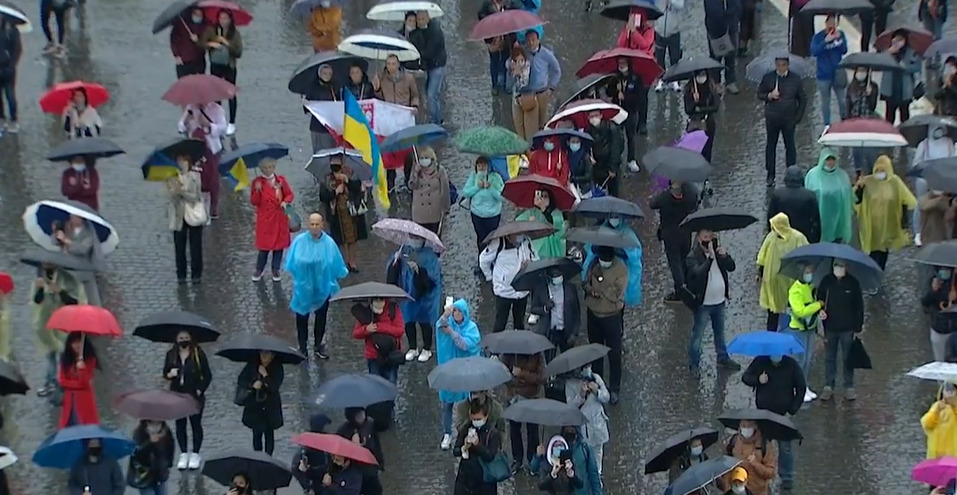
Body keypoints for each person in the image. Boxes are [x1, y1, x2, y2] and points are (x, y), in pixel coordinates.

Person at [286, 213, 349, 359]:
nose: (314, 227)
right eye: (312, 224)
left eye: (317, 224)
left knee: (321, 317)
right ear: (308, 225)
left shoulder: (329, 243)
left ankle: (318, 344)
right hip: (304, 287)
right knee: (302, 317)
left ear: (322, 225)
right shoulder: (300, 241)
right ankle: (302, 347)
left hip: (322, 287)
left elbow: (335, 262)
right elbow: (293, 261)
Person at [741, 354, 804, 491]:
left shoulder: (791, 365)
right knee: (762, 447)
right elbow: (746, 377)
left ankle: (786, 478)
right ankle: (761, 476)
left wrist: (792, 410)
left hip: (783, 415)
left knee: (785, 448)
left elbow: (801, 388)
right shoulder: (760, 361)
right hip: (763, 415)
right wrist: (758, 379)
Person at [684, 228, 740, 371]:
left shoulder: (718, 252)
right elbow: (698, 274)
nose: (708, 240)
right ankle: (694, 363)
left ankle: (722, 357)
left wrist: (725, 256)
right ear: (698, 239)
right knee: (698, 336)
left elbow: (731, 267)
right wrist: (710, 258)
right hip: (704, 304)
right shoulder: (692, 257)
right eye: (705, 237)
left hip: (719, 301)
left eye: (711, 236)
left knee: (720, 333)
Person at [854, 156, 917, 271]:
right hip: (871, 225)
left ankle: (878, 271)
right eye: (877, 170)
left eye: (883, 170)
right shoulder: (868, 182)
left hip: (888, 224)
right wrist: (859, 187)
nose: (880, 173)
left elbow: (905, 200)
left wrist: (904, 223)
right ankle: (872, 271)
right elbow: (856, 200)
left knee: (883, 250)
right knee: (873, 251)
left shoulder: (895, 182)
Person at [387, 235, 442, 363]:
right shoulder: (404, 250)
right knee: (408, 320)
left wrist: (419, 270)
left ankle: (427, 348)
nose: (414, 240)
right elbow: (393, 268)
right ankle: (413, 347)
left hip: (423, 295)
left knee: (424, 320)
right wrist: (395, 260)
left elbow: (434, 277)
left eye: (416, 238)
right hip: (407, 291)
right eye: (412, 237)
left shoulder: (429, 255)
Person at [33, 262, 85, 398]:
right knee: (50, 354)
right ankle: (50, 382)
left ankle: (65, 382)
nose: (44, 264)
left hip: (64, 323)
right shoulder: (41, 278)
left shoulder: (67, 278)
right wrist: (40, 290)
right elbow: (37, 300)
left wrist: (60, 292)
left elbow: (74, 301)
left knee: (64, 354)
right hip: (47, 322)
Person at [437, 299, 482, 450]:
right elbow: (439, 325)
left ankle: (467, 431)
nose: (456, 314)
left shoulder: (472, 328)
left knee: (468, 404)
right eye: (454, 311)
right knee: (447, 404)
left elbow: (466, 345)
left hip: (466, 372)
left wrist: (451, 333)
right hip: (450, 371)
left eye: (459, 311)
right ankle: (447, 434)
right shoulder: (449, 323)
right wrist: (446, 314)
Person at [584, 246, 627, 405]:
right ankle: (598, 383)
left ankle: (614, 388)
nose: (602, 261)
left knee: (614, 353)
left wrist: (601, 285)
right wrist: (590, 290)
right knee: (595, 352)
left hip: (612, 316)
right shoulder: (593, 265)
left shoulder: (621, 269)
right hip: (593, 314)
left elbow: (617, 294)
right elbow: (585, 283)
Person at [164, 330, 212, 470]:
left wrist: (200, 389)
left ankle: (195, 453)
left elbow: (208, 375)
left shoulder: (198, 354)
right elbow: (165, 372)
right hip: (177, 395)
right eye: (181, 337)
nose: (183, 340)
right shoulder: (171, 355)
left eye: (186, 337)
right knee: (180, 424)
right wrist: (170, 374)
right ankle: (184, 453)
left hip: (194, 395)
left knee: (195, 424)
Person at [816, 260, 864, 401]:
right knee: (829, 358)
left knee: (847, 358)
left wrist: (857, 327)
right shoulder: (826, 282)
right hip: (830, 328)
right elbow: (819, 299)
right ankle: (828, 385)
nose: (839, 268)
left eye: (841, 265)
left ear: (847, 267)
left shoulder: (853, 283)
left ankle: (849, 386)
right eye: (836, 265)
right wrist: (820, 311)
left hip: (847, 329)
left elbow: (859, 306)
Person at [758, 56, 806, 187]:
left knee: (790, 146)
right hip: (772, 118)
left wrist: (797, 118)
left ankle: (791, 173)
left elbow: (802, 99)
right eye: (778, 65)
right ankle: (770, 175)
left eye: (783, 65)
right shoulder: (768, 77)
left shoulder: (795, 79)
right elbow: (759, 94)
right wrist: (769, 96)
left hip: (789, 119)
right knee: (770, 146)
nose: (781, 68)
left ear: (788, 65)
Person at [757, 213, 809, 331]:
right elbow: (762, 256)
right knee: (773, 311)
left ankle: (791, 331)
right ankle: (772, 334)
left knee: (792, 308)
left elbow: (806, 255)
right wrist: (761, 273)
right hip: (773, 282)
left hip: (790, 280)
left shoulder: (797, 237)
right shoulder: (771, 237)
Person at [178, 102, 228, 220]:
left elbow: (223, 128)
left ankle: (213, 206)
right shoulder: (190, 108)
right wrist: (186, 120)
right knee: (196, 176)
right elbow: (180, 127)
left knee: (212, 177)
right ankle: (197, 205)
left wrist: (209, 125)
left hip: (212, 148)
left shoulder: (216, 109)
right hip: (195, 148)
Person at [651, 181, 699, 303]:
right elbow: (695, 205)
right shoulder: (690, 193)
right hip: (685, 233)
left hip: (670, 236)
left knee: (675, 264)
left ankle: (681, 292)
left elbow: (653, 204)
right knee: (684, 261)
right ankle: (688, 286)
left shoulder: (665, 197)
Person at [319, 154, 367, 272]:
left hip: (351, 212)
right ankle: (340, 262)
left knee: (353, 238)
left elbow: (357, 187)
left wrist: (347, 181)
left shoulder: (350, 174)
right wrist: (335, 192)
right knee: (338, 240)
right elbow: (323, 196)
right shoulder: (326, 179)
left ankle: (352, 262)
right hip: (336, 214)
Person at [582, 216, 643, 307]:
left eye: (616, 216)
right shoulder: (601, 231)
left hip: (619, 268)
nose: (614, 219)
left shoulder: (627, 233)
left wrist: (619, 251)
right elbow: (591, 250)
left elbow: (635, 253)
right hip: (602, 265)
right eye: (612, 216)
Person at [480, 235, 535, 333]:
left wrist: (530, 264)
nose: (518, 237)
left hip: (522, 290)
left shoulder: (527, 241)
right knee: (500, 322)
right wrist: (490, 277)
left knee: (519, 322)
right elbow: (483, 260)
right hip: (504, 291)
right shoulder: (498, 243)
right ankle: (496, 341)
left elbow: (535, 257)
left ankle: (519, 338)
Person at [250, 158, 293, 281]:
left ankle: (275, 269)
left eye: (270, 167)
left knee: (278, 247)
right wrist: (257, 191)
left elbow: (289, 194)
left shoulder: (281, 180)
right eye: (265, 168)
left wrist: (285, 201)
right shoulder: (257, 182)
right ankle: (259, 269)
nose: (268, 170)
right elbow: (254, 202)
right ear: (261, 169)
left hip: (279, 218)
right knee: (264, 247)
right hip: (265, 220)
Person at [501, 351, 545, 473]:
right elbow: (503, 375)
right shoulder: (508, 354)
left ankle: (532, 460)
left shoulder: (538, 355)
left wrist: (522, 374)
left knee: (533, 430)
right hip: (513, 397)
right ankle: (517, 459)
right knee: (514, 430)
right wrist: (517, 381)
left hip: (532, 398)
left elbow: (542, 377)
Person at [913, 123, 955, 246]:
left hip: (943, 179)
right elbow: (916, 163)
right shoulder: (924, 144)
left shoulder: (949, 143)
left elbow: (952, 159)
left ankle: (943, 231)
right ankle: (918, 231)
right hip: (925, 179)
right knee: (921, 205)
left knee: (943, 205)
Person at [787, 262, 824, 403]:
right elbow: (800, 311)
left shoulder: (810, 287)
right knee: (800, 360)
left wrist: (818, 310)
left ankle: (804, 385)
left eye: (811, 272)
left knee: (808, 360)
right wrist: (818, 305)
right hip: (798, 330)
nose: (810, 274)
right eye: (808, 272)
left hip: (810, 328)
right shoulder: (795, 290)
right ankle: (796, 388)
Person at [529, 426, 603, 495]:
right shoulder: (554, 449)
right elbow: (534, 470)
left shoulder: (584, 448)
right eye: (567, 429)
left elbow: (593, 474)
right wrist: (538, 456)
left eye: (572, 430)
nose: (570, 432)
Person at [166, 153, 204, 283]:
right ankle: (181, 274)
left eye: (184, 161)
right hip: (178, 215)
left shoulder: (196, 176)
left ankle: (196, 274)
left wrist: (181, 191)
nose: (181, 164)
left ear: (189, 163)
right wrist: (176, 191)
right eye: (179, 161)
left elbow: (196, 196)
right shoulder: (172, 178)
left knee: (196, 246)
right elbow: (172, 197)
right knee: (179, 246)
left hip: (194, 213)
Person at [203, 9, 243, 135]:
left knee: (230, 93)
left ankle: (232, 122)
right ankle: (219, 120)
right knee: (216, 94)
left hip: (229, 66)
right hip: (215, 65)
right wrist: (212, 44)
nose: (222, 21)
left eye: (225, 18)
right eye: (220, 18)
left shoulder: (234, 34)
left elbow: (238, 52)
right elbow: (202, 43)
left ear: (230, 20)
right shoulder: (212, 30)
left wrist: (226, 42)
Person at [564, 365, 610, 474]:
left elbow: (606, 397)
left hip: (598, 424)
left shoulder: (596, 378)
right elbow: (570, 407)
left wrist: (597, 391)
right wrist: (581, 395)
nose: (588, 368)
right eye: (585, 365)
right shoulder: (570, 384)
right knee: (585, 455)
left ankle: (598, 476)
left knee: (598, 452)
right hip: (584, 428)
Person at [463, 156, 505, 274]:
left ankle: (493, 262)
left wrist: (490, 188)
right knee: (481, 239)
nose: (481, 167)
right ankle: (482, 263)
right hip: (477, 214)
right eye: (479, 164)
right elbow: (466, 192)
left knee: (492, 239)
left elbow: (502, 197)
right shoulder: (473, 176)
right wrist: (477, 187)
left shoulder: (496, 177)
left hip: (492, 215)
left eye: (484, 164)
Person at [527, 265, 581, 355]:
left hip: (566, 332)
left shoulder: (570, 288)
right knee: (549, 359)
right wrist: (545, 308)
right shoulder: (541, 289)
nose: (558, 277)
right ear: (549, 277)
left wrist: (574, 333)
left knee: (568, 358)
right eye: (555, 275)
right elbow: (534, 308)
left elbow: (576, 312)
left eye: (559, 274)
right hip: (550, 332)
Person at [238, 350, 284, 455]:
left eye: (267, 354)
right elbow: (241, 380)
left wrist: (265, 376)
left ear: (272, 356)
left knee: (269, 433)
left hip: (270, 406)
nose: (263, 356)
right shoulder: (252, 364)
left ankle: (268, 457)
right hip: (255, 405)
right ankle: (257, 456)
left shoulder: (277, 367)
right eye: (262, 353)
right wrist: (252, 385)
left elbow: (274, 387)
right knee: (256, 433)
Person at [516, 30, 561, 137]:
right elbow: (510, 63)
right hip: (527, 93)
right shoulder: (522, 53)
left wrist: (551, 87)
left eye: (533, 40)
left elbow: (557, 71)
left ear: (538, 40)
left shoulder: (547, 54)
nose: (531, 43)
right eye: (528, 40)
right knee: (529, 125)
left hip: (542, 93)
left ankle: (541, 139)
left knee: (542, 122)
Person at [804, 150, 853, 243]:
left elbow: (848, 194)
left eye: (832, 159)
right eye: (828, 159)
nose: (830, 162)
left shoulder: (842, 175)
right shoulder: (813, 175)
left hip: (838, 217)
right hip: (820, 217)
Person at [453, 401, 502, 495]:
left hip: (484, 480)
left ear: (486, 416)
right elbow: (456, 451)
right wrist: (464, 448)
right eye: (473, 419)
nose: (476, 422)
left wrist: (477, 445)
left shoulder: (493, 433)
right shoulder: (466, 428)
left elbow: (490, 456)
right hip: (465, 478)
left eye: (478, 419)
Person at [606, 58, 646, 170]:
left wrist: (626, 97)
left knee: (631, 136)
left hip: (631, 112)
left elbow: (639, 97)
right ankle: (616, 159)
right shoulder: (614, 77)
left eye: (623, 63)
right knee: (616, 137)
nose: (621, 65)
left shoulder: (636, 78)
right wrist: (615, 90)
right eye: (619, 63)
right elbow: (609, 93)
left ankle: (631, 159)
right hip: (617, 111)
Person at [352, 297, 404, 384]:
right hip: (373, 357)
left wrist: (379, 327)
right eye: (376, 299)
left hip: (391, 355)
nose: (379, 302)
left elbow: (400, 331)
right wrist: (366, 329)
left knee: (390, 384)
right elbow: (356, 333)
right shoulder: (366, 313)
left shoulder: (393, 309)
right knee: (375, 385)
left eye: (381, 299)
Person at [809, 15, 848, 129]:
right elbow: (814, 52)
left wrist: (839, 40)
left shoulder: (840, 35)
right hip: (823, 75)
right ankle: (827, 124)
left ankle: (844, 121)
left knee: (842, 100)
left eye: (834, 23)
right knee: (826, 102)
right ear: (826, 23)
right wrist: (825, 41)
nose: (832, 25)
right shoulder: (818, 37)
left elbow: (844, 50)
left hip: (838, 73)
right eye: (830, 23)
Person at [409, 10, 447, 124]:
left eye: (423, 19)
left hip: (437, 65)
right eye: (418, 19)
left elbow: (429, 51)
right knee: (432, 95)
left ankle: (435, 121)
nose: (420, 22)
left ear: (428, 18)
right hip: (428, 66)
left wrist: (417, 54)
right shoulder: (418, 31)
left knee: (431, 95)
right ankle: (437, 117)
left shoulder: (435, 31)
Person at [337, 407, 384, 495]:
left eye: (363, 413)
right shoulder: (343, 430)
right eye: (358, 415)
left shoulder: (370, 423)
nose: (362, 416)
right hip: (354, 472)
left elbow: (376, 445)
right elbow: (338, 455)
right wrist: (352, 446)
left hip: (370, 468)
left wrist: (380, 463)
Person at [767, 166, 821, 243]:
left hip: (782, 237)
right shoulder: (810, 195)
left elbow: (771, 217)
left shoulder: (777, 194)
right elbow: (816, 220)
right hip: (804, 236)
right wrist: (815, 239)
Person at [880, 29, 923, 124]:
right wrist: (888, 53)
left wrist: (904, 66)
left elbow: (917, 68)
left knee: (904, 116)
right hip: (890, 89)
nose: (897, 42)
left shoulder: (912, 53)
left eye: (900, 40)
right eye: (895, 39)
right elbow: (879, 63)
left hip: (904, 90)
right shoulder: (887, 52)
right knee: (889, 116)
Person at [58, 331, 100, 428]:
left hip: (84, 401)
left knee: (86, 427)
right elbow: (62, 381)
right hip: (69, 401)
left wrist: (82, 369)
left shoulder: (90, 360)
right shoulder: (66, 359)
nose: (77, 345)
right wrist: (78, 385)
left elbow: (85, 382)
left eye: (79, 342)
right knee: (68, 427)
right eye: (74, 342)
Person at [478, 0, 520, 93]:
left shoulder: (510, 3)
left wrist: (515, 39)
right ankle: (495, 85)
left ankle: (505, 83)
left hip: (507, 38)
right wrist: (492, 19)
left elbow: (516, 19)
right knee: (494, 61)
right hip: (492, 39)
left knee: (506, 61)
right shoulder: (487, 4)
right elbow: (481, 16)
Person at [408, 146, 451, 234]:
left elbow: (445, 190)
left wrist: (445, 208)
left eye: (426, 157)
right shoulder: (416, 169)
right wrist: (415, 173)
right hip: (419, 213)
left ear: (432, 158)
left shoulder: (439, 170)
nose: (424, 160)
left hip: (434, 212)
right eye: (421, 158)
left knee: (434, 238)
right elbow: (411, 186)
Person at [703, 0, 741, 94]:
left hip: (731, 26)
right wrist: (728, 13)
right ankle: (716, 82)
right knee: (716, 57)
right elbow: (713, 11)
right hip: (715, 29)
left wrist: (734, 16)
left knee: (731, 55)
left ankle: (730, 81)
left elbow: (737, 7)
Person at [128, 420, 175, 495]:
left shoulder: (165, 430)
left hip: (161, 473)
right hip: (145, 476)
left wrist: (168, 464)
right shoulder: (139, 432)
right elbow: (136, 454)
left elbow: (170, 447)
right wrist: (150, 442)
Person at [516, 189, 567, 259]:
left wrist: (543, 209)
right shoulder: (533, 211)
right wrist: (529, 223)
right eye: (541, 196)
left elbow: (557, 228)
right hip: (537, 248)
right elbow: (519, 223)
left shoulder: (556, 213)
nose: (542, 199)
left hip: (553, 249)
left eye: (545, 196)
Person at [585, 111, 624, 197]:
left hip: (609, 166)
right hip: (597, 167)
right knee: (599, 192)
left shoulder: (612, 128)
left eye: (596, 115)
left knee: (613, 193)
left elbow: (615, 149)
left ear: (601, 115)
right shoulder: (588, 131)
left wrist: (613, 168)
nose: (594, 118)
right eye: (591, 116)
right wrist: (589, 157)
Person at [684, 71, 720, 163]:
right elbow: (688, 109)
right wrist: (695, 102)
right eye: (699, 75)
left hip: (708, 124)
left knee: (707, 150)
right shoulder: (689, 89)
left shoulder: (711, 88)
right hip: (694, 124)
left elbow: (715, 107)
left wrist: (700, 109)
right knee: (694, 150)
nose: (701, 77)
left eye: (703, 74)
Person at [922, 267, 957, 361]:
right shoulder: (935, 281)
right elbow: (925, 302)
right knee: (939, 362)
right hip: (939, 327)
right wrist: (934, 291)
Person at [304, 64, 340, 153]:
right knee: (317, 153)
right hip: (315, 126)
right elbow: (307, 109)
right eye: (324, 73)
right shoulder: (312, 88)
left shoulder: (334, 88)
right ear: (319, 74)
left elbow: (339, 105)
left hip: (330, 128)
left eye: (329, 74)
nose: (327, 76)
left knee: (329, 152)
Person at [292, 413, 331, 493]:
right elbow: (296, 468)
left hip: (324, 480)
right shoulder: (308, 447)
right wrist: (307, 487)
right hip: (314, 482)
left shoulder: (326, 441)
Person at [653, 0, 686, 93]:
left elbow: (681, 5)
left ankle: (674, 80)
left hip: (674, 31)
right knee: (659, 57)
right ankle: (661, 79)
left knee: (675, 56)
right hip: (659, 30)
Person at [921, 382, 957, 459]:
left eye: (952, 390)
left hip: (953, 453)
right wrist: (936, 411)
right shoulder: (937, 406)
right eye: (947, 390)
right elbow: (927, 424)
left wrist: (954, 406)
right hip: (936, 452)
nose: (950, 392)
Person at [509, 47, 537, 140]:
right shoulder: (512, 68)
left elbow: (530, 85)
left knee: (529, 131)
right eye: (516, 60)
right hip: (516, 101)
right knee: (519, 127)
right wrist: (513, 74)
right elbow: (508, 87)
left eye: (521, 60)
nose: (519, 62)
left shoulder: (530, 67)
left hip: (527, 100)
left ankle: (530, 147)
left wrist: (520, 74)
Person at [170, 9, 207, 78]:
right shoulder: (180, 24)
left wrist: (198, 40)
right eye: (195, 14)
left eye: (200, 15)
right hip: (183, 61)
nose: (197, 16)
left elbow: (207, 45)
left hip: (198, 62)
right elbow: (174, 41)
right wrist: (176, 55)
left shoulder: (205, 27)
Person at [0, 16, 21, 133]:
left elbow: (17, 49)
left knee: (10, 95)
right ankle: (1, 118)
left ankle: (14, 119)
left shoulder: (11, 30)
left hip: (7, 69)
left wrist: (11, 65)